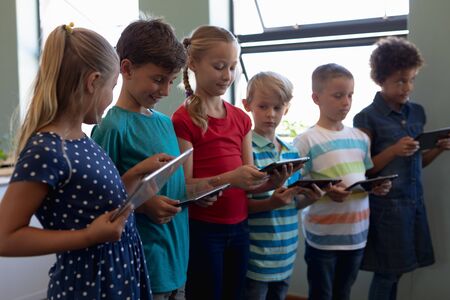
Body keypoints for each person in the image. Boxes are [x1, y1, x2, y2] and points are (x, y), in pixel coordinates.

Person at [0, 23, 153, 299]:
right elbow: (5, 237)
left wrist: (138, 177)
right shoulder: (47, 149)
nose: (111, 98)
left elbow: (91, 206)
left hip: (116, 277)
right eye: (112, 86)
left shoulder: (82, 139)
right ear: (93, 82)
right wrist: (87, 237)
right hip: (89, 286)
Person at [172, 26, 291, 300]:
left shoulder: (240, 118)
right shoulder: (183, 119)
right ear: (194, 64)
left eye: (233, 67)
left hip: (240, 228)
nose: (227, 75)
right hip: (204, 230)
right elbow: (183, 188)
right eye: (218, 66)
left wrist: (272, 181)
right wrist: (230, 178)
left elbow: (248, 182)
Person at [91, 19, 191, 300]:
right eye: (158, 79)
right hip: (144, 262)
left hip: (177, 259)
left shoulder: (164, 123)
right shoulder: (111, 126)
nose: (165, 91)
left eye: (171, 81)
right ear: (127, 68)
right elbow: (101, 196)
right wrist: (145, 205)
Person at [353, 36, 450, 300]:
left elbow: (418, 163)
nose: (407, 86)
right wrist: (393, 150)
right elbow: (364, 170)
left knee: (399, 272)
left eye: (411, 79)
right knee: (387, 273)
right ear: (380, 79)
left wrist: (439, 148)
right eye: (399, 80)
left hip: (414, 204)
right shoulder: (366, 117)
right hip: (387, 209)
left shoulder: (417, 113)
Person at [293, 63, 391, 300]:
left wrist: (376, 187)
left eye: (350, 95)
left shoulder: (360, 138)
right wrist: (327, 193)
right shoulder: (306, 141)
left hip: (357, 235)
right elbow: (295, 195)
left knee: (343, 293)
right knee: (322, 294)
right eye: (338, 96)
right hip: (323, 238)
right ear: (316, 98)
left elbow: (362, 179)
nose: (346, 102)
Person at [242, 71, 322, 300]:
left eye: (277, 108)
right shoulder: (247, 150)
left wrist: (312, 198)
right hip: (256, 256)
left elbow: (292, 202)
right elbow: (240, 205)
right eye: (263, 106)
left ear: (286, 108)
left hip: (285, 254)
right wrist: (270, 202)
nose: (270, 114)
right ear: (248, 106)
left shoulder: (291, 152)